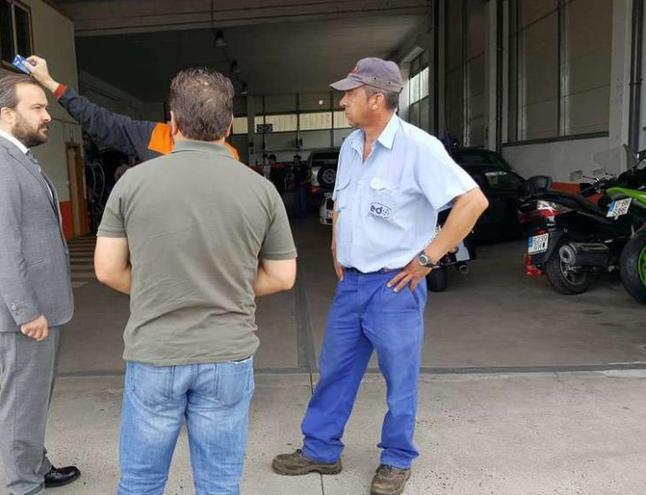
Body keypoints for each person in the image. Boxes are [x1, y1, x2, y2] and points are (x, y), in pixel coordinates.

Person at [271, 58, 488, 495]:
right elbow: (343, 203)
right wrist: (336, 242)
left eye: (351, 93)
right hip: (351, 284)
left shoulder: (417, 147)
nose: (342, 100)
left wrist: (428, 259)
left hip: (395, 286)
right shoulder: (352, 145)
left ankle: (395, 459)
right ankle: (321, 451)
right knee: (335, 370)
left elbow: (472, 202)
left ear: (377, 98)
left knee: (399, 377)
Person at [93, 67, 298, 495]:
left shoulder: (132, 183)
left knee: (141, 483)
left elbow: (108, 270)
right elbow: (282, 276)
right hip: (227, 354)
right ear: (228, 125)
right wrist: (226, 287)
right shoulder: (260, 189)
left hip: (155, 353)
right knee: (220, 485)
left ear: (173, 121)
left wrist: (161, 288)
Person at [0, 75, 80, 495]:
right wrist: (26, 312)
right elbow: (1, 250)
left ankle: (35, 464)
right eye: (37, 108)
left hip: (39, 305)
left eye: (46, 107)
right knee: (20, 401)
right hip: (23, 313)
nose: (48, 115)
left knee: (33, 397)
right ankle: (23, 485)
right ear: (7, 113)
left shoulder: (20, 158)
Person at [24, 55, 241, 161]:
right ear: (227, 126)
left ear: (173, 121)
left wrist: (49, 82)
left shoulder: (155, 136)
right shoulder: (233, 161)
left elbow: (98, 120)